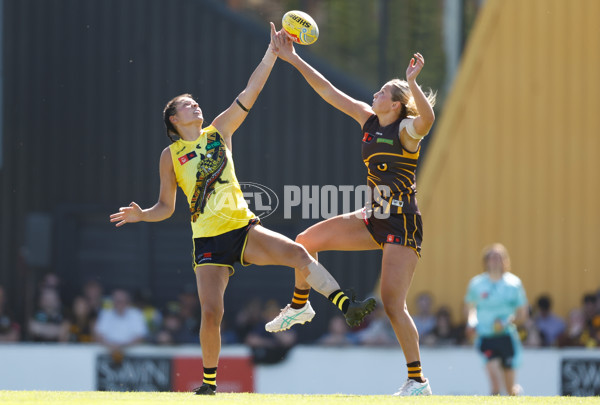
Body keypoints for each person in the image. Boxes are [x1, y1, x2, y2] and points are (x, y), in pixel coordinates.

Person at [109, 23, 375, 396]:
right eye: (187, 104)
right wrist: (142, 215)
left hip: (243, 228)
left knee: (299, 253)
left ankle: (347, 306)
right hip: (207, 241)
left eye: (194, 101)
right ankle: (209, 384)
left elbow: (250, 91)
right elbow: (166, 208)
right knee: (212, 313)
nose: (195, 104)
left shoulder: (219, 132)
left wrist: (272, 53)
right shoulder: (170, 157)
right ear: (174, 119)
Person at [265, 32, 436, 396]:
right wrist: (292, 59)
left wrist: (411, 83)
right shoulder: (368, 119)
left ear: (394, 104)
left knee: (392, 303)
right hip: (372, 216)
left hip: (402, 221)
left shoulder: (405, 130)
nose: (373, 96)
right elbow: (328, 91)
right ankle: (300, 306)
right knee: (304, 242)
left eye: (380, 94)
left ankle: (417, 381)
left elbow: (428, 119)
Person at [465, 243, 528, 396]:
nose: (495, 261)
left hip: (507, 337)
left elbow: (522, 314)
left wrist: (507, 321)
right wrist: (471, 322)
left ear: (505, 261)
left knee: (510, 389)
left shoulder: (514, 283)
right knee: (494, 383)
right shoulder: (477, 283)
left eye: (499, 257)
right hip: (485, 336)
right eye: (492, 257)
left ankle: (516, 394)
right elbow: (470, 307)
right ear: (486, 261)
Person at [93, 289, 148, 354]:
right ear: (113, 302)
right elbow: (98, 335)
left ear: (127, 302)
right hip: (107, 352)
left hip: (132, 354)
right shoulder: (105, 314)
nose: (119, 304)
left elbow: (141, 336)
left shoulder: (136, 314)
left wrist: (122, 347)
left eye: (122, 301)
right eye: (117, 301)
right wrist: (111, 346)